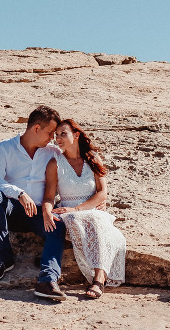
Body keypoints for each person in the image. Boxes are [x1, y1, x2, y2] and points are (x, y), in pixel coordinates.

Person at [0, 105, 68, 301]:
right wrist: (19, 193)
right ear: (36, 128)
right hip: (10, 210)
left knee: (57, 224)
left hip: (39, 213)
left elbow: (76, 165)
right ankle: (4, 257)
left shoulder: (53, 152)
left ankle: (47, 280)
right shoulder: (4, 148)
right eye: (50, 132)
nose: (52, 138)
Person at [43, 119, 126, 299]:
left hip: (90, 209)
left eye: (63, 134)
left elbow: (102, 193)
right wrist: (47, 212)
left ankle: (99, 278)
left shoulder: (93, 158)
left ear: (76, 135)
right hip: (68, 213)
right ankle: (99, 277)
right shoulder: (54, 163)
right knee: (74, 218)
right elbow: (49, 197)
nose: (58, 138)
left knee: (95, 219)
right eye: (56, 135)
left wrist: (78, 208)